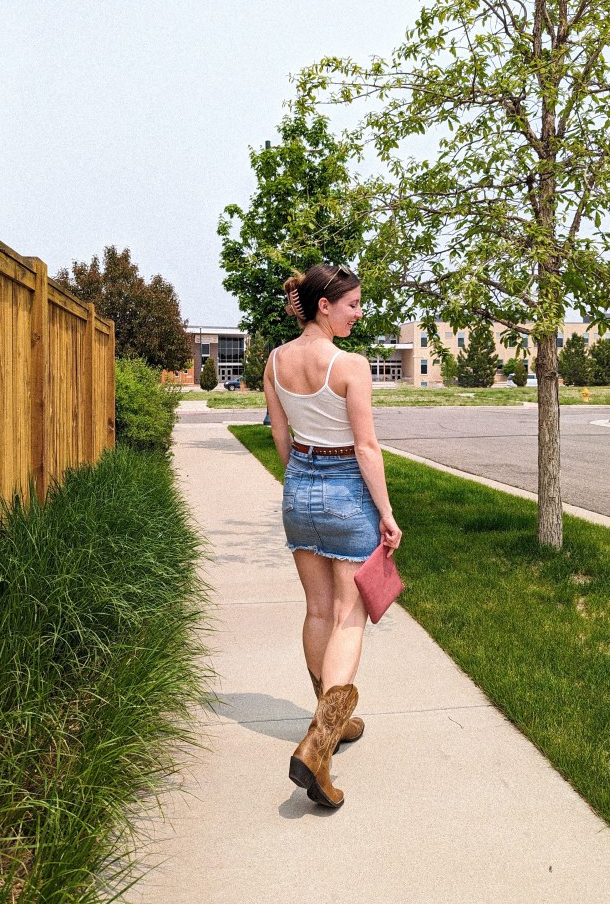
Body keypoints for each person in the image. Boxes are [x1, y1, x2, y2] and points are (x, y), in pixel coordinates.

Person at [264, 263, 402, 809]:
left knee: (318, 610)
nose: (358, 313)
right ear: (324, 306)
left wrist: (299, 480)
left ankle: (333, 721)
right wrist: (386, 513)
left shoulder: (276, 360)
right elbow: (367, 447)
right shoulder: (350, 365)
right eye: (352, 305)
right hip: (347, 488)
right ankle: (318, 746)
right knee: (349, 614)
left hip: (298, 485)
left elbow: (280, 432)